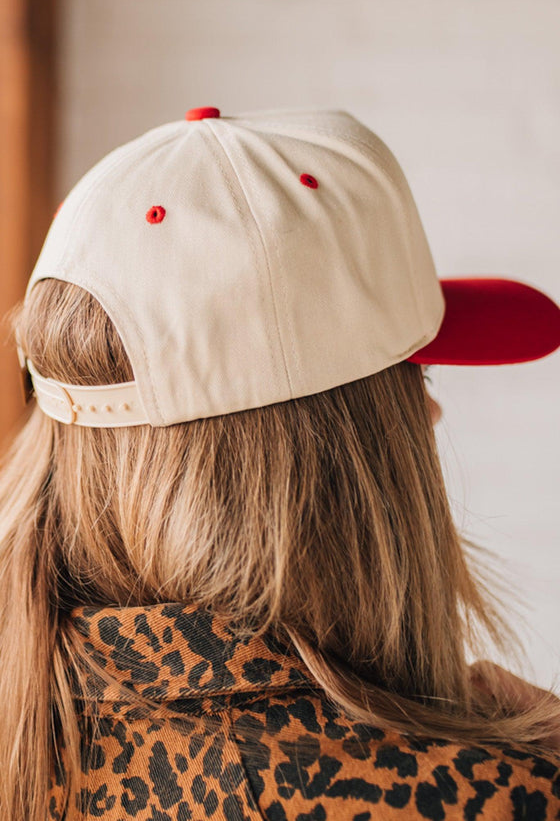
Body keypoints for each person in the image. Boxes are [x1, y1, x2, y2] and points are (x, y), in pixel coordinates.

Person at [0, 106, 559, 821]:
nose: (432, 415)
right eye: (414, 382)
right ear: (351, 447)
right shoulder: (496, 799)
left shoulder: (38, 736)